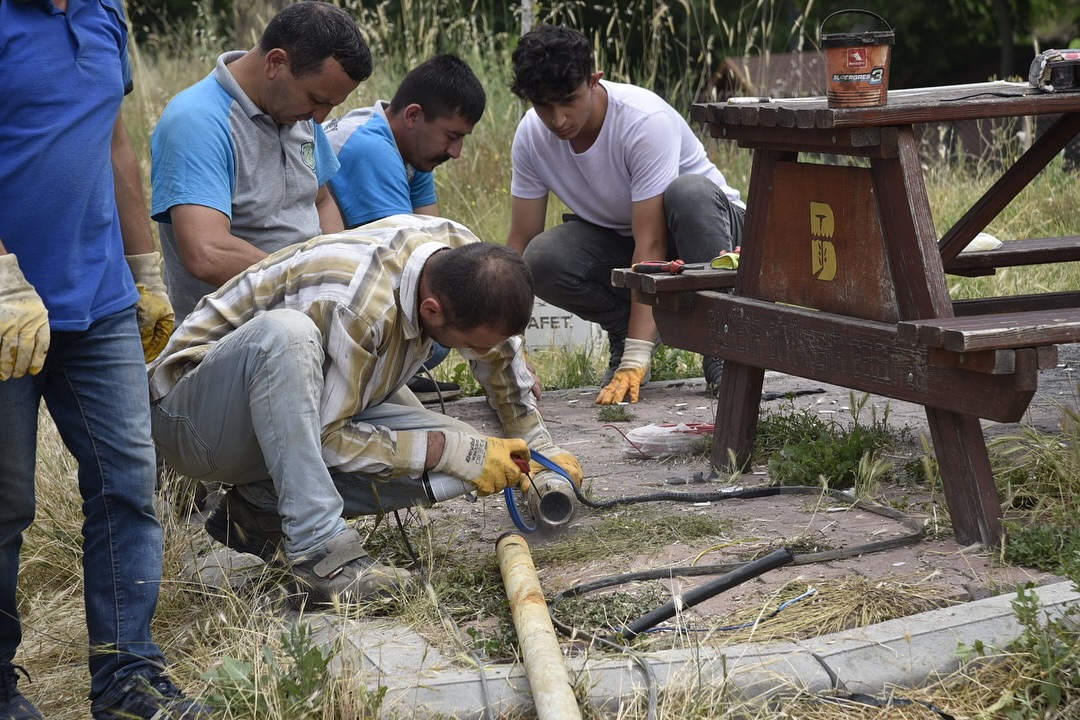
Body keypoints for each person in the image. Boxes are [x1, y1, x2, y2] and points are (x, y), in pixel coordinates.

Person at [148, 215, 583, 605]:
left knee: (474, 458)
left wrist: (541, 454)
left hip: (294, 417)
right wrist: (444, 449)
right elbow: (326, 438)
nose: (476, 353)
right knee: (288, 335)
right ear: (432, 310)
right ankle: (321, 556)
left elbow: (500, 354)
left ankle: (258, 512)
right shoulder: (360, 307)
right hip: (194, 422)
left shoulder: (462, 257)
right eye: (469, 345)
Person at [0, 1, 209, 718]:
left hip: (100, 299)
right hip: (3, 307)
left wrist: (144, 268)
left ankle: (127, 678)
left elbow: (114, 143)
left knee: (126, 483)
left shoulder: (105, 15)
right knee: (5, 503)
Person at [506, 24, 746, 405]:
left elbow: (652, 242)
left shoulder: (642, 121)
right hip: (633, 242)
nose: (558, 120)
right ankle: (625, 330)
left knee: (687, 193)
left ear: (594, 80)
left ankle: (722, 345)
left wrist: (637, 359)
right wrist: (505, 347)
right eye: (543, 106)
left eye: (568, 100)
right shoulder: (532, 137)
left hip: (716, 237)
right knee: (542, 258)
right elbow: (519, 243)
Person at [150, 0, 372, 323]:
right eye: (317, 99)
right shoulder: (197, 121)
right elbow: (206, 252)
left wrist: (335, 268)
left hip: (308, 303)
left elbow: (321, 200)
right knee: (292, 333)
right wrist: (307, 281)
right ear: (276, 63)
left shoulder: (298, 115)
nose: (321, 118)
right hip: (230, 329)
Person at [323, 53, 486, 404]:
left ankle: (396, 379)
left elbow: (434, 242)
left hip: (347, 282)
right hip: (329, 297)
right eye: (452, 136)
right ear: (413, 115)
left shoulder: (412, 149)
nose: (456, 152)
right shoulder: (371, 149)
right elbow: (405, 264)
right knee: (439, 328)